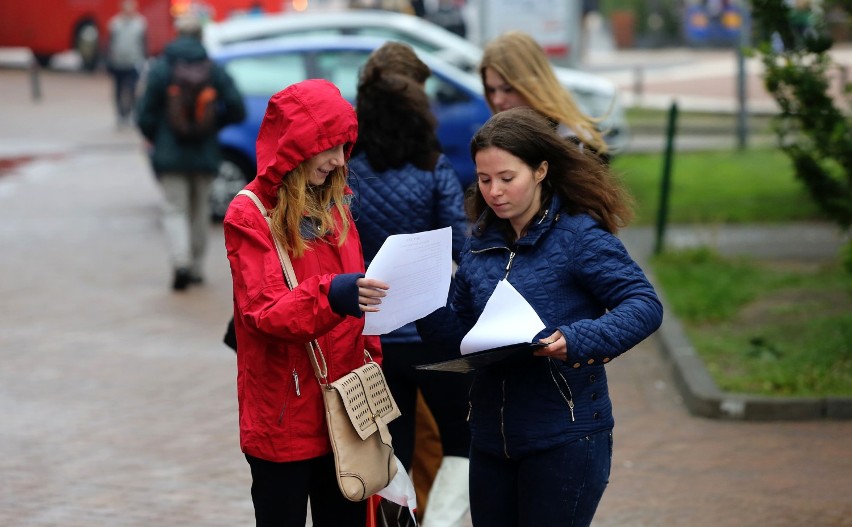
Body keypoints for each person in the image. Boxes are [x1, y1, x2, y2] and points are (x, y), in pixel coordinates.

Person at [416, 107, 664, 527]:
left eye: (507, 178)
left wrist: (578, 339)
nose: (494, 191)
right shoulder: (479, 241)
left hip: (565, 437)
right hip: (491, 440)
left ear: (541, 170)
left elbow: (643, 304)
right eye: (484, 179)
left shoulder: (578, 236)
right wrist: (421, 305)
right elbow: (458, 334)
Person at [223, 79, 390, 527]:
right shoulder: (250, 213)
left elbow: (359, 303)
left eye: (344, 146)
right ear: (297, 146)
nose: (340, 159)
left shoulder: (334, 202)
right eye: (329, 147)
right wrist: (334, 293)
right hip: (285, 415)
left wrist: (372, 364)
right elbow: (265, 311)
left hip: (347, 406)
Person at [348, 41, 472, 527]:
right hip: (434, 332)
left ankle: (401, 524)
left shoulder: (348, 170)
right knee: (461, 443)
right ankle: (440, 522)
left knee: (392, 450)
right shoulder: (433, 167)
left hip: (376, 334)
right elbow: (460, 245)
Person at [135, 14, 245, 291]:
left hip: (170, 154)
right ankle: (196, 269)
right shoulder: (214, 69)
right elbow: (237, 108)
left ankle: (180, 261)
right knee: (199, 210)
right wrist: (214, 126)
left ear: (177, 34)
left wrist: (158, 136)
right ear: (200, 37)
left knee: (174, 209)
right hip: (205, 152)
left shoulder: (162, 68)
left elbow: (144, 114)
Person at [479, 30, 610, 162]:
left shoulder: (573, 140)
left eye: (508, 89)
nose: (497, 100)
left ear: (535, 82)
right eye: (491, 90)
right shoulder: (500, 137)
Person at [106, 0, 147, 127]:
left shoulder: (141, 23)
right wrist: (108, 60)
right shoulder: (114, 23)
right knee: (118, 89)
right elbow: (110, 43)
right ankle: (120, 114)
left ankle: (131, 113)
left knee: (132, 89)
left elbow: (144, 43)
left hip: (133, 61)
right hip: (118, 62)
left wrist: (144, 59)